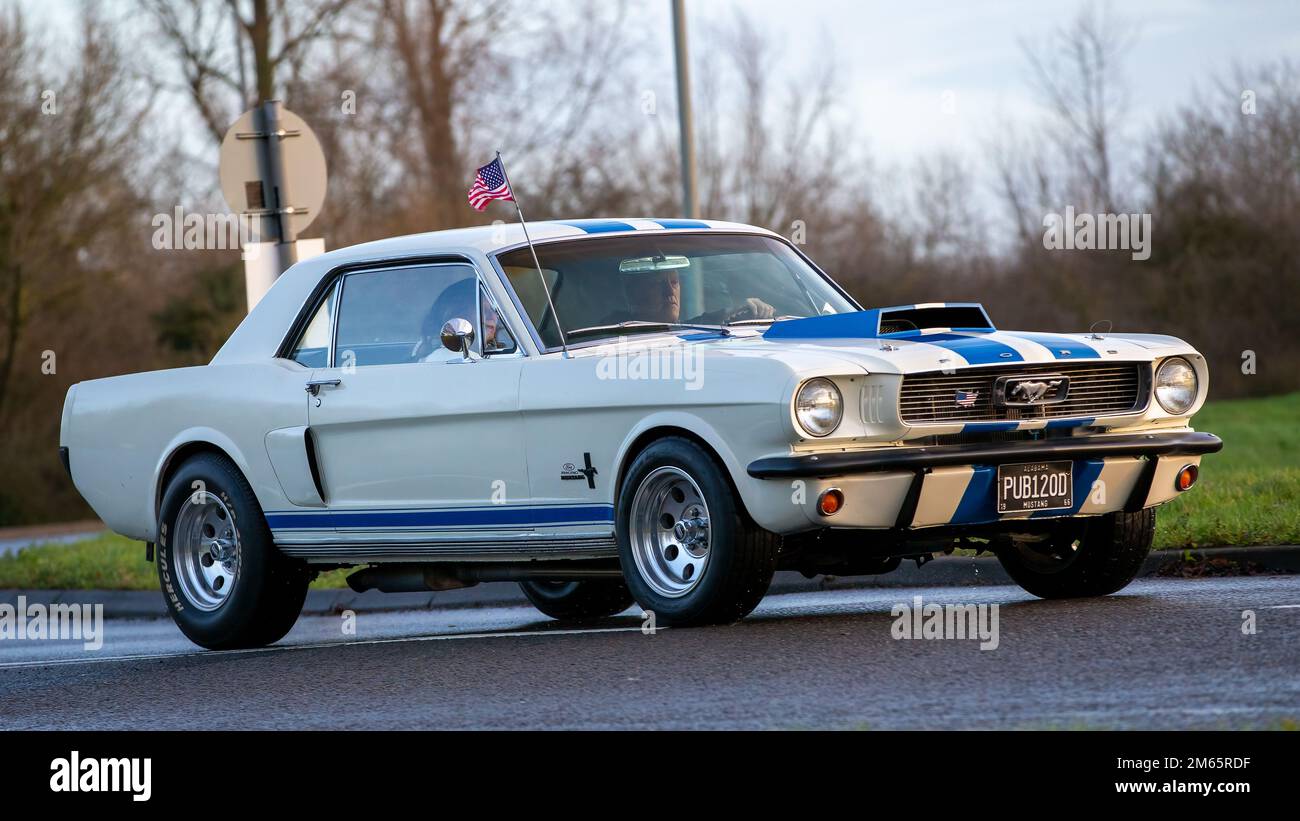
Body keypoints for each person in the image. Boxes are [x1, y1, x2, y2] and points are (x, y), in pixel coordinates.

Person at [613, 268, 775, 326]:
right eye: (657, 283)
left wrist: (741, 311)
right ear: (635, 293)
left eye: (674, 282)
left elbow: (707, 322)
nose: (670, 291)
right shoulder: (611, 336)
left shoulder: (689, 331)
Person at [412, 278, 503, 361]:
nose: (493, 317)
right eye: (482, 309)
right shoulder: (450, 358)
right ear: (456, 317)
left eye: (494, 310)